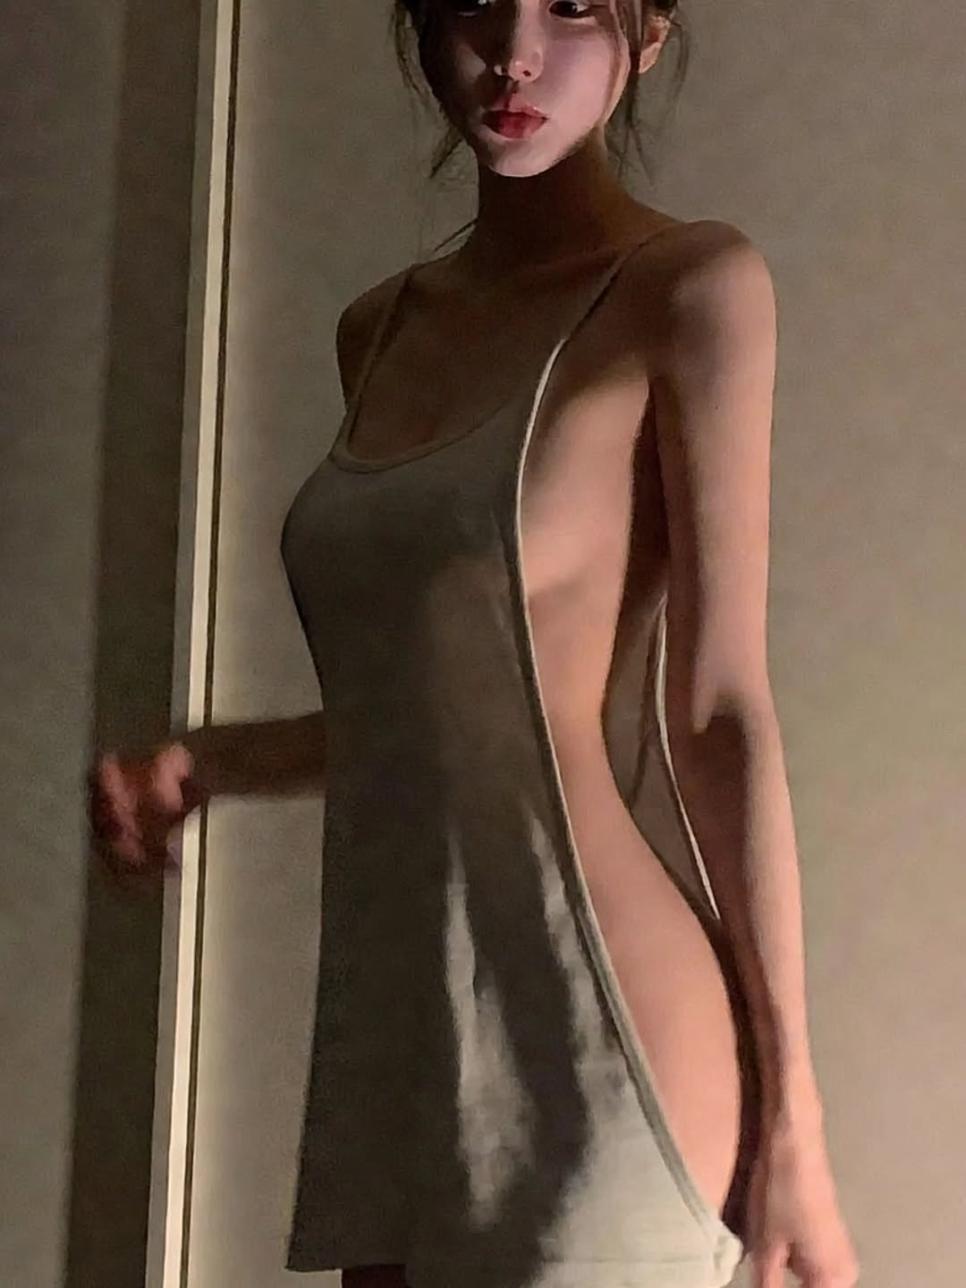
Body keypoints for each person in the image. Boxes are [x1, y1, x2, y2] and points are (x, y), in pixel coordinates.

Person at [89, 2, 862, 1287]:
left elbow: (719, 710)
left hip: (600, 1027)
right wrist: (210, 763)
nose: (515, 51)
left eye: (573, 7)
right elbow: (446, 702)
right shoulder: (379, 330)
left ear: (651, 31)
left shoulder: (691, 290)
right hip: (402, 1047)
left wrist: (800, 1126)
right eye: (475, 3)